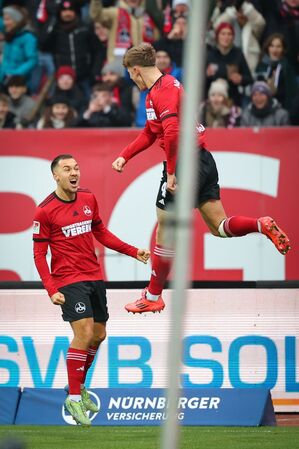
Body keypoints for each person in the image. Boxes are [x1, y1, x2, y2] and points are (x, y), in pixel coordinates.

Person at [112, 43, 291, 315]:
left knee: (164, 227)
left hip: (185, 163)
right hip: (203, 160)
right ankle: (261, 224)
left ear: (136, 70)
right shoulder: (156, 93)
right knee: (218, 227)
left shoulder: (166, 91)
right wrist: (125, 155)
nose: (131, 79)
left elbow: (172, 134)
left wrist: (172, 173)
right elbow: (152, 131)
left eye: (129, 74)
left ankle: (153, 295)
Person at [33, 154, 150, 425]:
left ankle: (78, 386)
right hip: (67, 279)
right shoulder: (45, 210)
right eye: (67, 169)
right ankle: (74, 399)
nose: (74, 172)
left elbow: (102, 233)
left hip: (93, 276)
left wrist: (134, 251)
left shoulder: (88, 198)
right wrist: (51, 288)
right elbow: (39, 255)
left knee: (99, 335)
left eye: (76, 167)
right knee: (83, 333)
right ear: (56, 176)